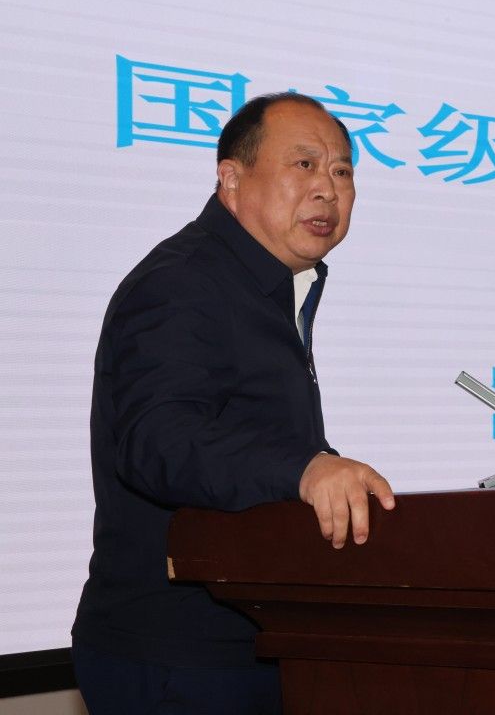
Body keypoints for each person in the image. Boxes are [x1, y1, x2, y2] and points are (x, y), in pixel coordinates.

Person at [71, 92, 394, 714]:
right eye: (304, 165)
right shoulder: (181, 282)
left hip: (254, 638)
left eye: (342, 170)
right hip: (177, 653)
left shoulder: (269, 286)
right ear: (232, 180)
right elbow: (157, 441)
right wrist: (304, 469)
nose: (328, 189)